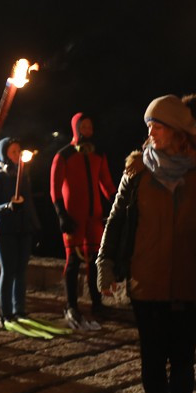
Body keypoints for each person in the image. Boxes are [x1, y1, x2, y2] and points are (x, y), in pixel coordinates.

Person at [98, 95, 196, 393]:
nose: (151, 132)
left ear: (179, 131)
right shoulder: (136, 172)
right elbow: (116, 219)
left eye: (159, 125)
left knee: (183, 361)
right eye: (149, 125)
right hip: (146, 279)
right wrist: (106, 264)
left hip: (188, 279)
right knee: (153, 360)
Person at [50, 112, 115, 329]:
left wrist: (117, 203)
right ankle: (71, 305)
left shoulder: (99, 154)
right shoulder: (64, 155)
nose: (87, 130)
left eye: (89, 126)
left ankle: (97, 303)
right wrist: (61, 215)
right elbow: (55, 189)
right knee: (73, 262)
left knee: (95, 260)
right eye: (83, 126)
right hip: (73, 218)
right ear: (76, 128)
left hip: (94, 217)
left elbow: (106, 183)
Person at [0, 137, 40, 327]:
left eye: (19, 151)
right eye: (13, 152)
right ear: (5, 154)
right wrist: (9, 206)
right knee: (8, 271)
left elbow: (29, 203)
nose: (17, 155)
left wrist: (35, 225)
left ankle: (20, 310)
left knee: (21, 271)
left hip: (23, 229)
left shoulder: (23, 175)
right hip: (4, 231)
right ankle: (5, 313)